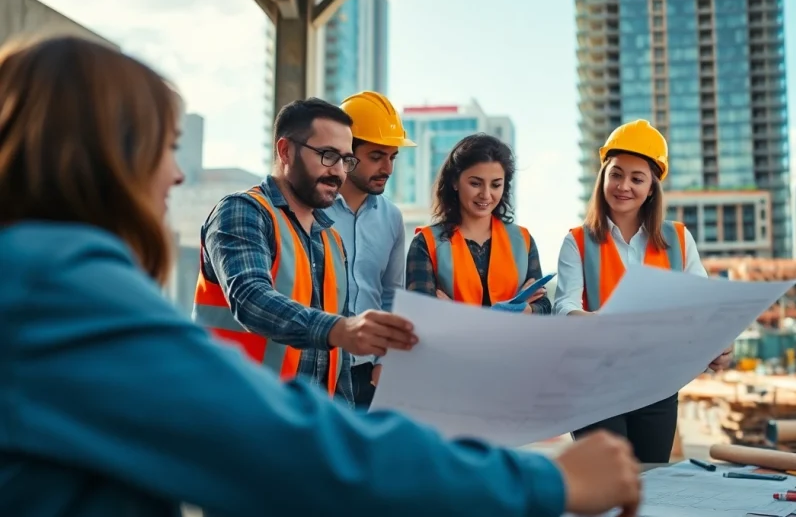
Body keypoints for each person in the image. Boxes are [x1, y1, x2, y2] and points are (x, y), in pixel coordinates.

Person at [0, 35, 642, 517]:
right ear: (103, 153)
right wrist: (549, 482)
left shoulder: (326, 238)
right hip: (259, 428)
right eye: (165, 146)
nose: (175, 173)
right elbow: (275, 417)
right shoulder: (55, 288)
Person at [193, 97, 407, 404]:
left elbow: (335, 363)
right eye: (327, 155)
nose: (338, 172)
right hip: (238, 410)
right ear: (285, 151)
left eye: (346, 160)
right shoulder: (242, 212)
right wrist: (340, 329)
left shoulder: (330, 239)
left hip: (305, 421)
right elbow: (250, 297)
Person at [552, 119, 732, 463]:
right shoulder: (577, 241)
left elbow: (706, 307)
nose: (624, 186)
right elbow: (564, 307)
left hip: (656, 385)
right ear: (603, 176)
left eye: (637, 178)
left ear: (651, 188)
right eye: (616, 174)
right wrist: (605, 325)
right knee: (610, 478)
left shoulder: (678, 240)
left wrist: (719, 341)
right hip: (594, 385)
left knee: (651, 484)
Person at [324, 91, 415, 410]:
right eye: (377, 156)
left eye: (393, 157)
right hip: (318, 367)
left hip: (368, 375)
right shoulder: (312, 211)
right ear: (347, 153)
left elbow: (391, 295)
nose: (388, 168)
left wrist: (383, 361)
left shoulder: (392, 218)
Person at [406, 133, 550, 313]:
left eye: (496, 185)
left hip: (512, 341)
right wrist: (514, 310)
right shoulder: (426, 243)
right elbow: (421, 313)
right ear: (455, 182)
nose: (486, 194)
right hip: (450, 342)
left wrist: (524, 309)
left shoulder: (523, 240)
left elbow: (543, 306)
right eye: (475, 183)